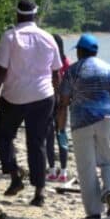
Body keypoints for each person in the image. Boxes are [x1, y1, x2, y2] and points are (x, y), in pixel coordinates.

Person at [0, 0, 61, 206]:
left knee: (4, 135)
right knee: (36, 143)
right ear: (35, 15)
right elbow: (56, 74)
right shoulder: (48, 38)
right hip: (43, 96)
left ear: (16, 14)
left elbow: (0, 71)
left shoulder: (10, 37)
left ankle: (15, 177)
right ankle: (39, 192)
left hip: (14, 96)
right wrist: (57, 101)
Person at [57, 32, 110, 219]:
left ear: (81, 51)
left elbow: (63, 102)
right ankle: (109, 192)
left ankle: (93, 213)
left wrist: (60, 130)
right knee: (109, 160)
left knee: (87, 166)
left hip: (81, 121)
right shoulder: (108, 69)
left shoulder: (73, 71)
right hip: (107, 119)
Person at [44, 32, 69, 183]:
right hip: (62, 105)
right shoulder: (66, 62)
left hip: (48, 101)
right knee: (62, 135)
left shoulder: (47, 60)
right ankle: (64, 172)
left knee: (49, 137)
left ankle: (52, 171)